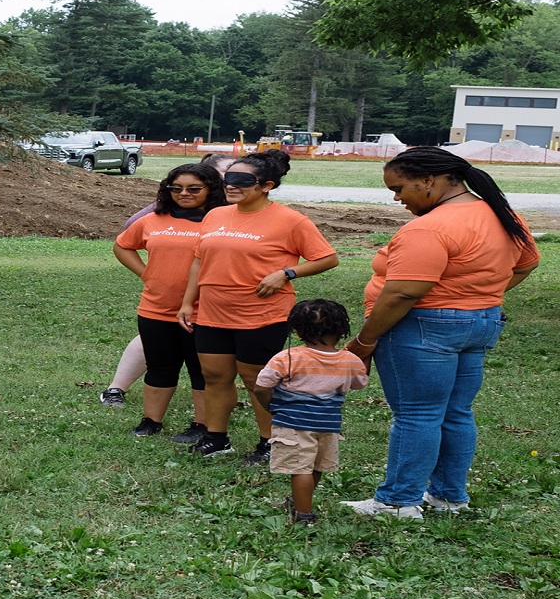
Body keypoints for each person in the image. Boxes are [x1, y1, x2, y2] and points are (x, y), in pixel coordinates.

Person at [341, 146, 540, 519]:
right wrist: (474, 297)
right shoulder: (502, 215)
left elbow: (403, 292)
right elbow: (527, 263)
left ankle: (398, 501)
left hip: (423, 328)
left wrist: (364, 342)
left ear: (429, 180)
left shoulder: (431, 227)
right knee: (456, 412)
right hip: (479, 323)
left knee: (417, 415)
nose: (397, 198)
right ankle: (448, 496)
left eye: (399, 188)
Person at [177, 149, 339, 463]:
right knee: (215, 376)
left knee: (257, 380)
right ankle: (216, 437)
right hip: (213, 311)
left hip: (261, 313)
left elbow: (327, 258)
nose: (231, 186)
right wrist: (187, 302)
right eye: (228, 179)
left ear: (267, 185)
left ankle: (269, 442)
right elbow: (199, 260)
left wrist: (286, 273)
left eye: (241, 181)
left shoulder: (290, 220)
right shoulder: (216, 215)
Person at [100, 154, 236, 409]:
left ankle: (203, 425)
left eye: (194, 189)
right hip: (158, 307)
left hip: (207, 310)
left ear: (211, 188)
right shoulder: (155, 218)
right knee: (160, 367)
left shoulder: (224, 219)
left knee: (203, 372)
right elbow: (123, 245)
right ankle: (151, 421)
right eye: (176, 188)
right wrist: (146, 273)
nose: (184, 193)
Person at [255, 300, 368, 525]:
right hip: (328, 423)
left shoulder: (287, 357)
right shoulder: (349, 360)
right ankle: (298, 502)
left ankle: (303, 515)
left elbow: (261, 386)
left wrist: (269, 406)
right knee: (315, 466)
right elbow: (360, 382)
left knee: (300, 469)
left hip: (294, 423)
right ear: (341, 329)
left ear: (296, 330)